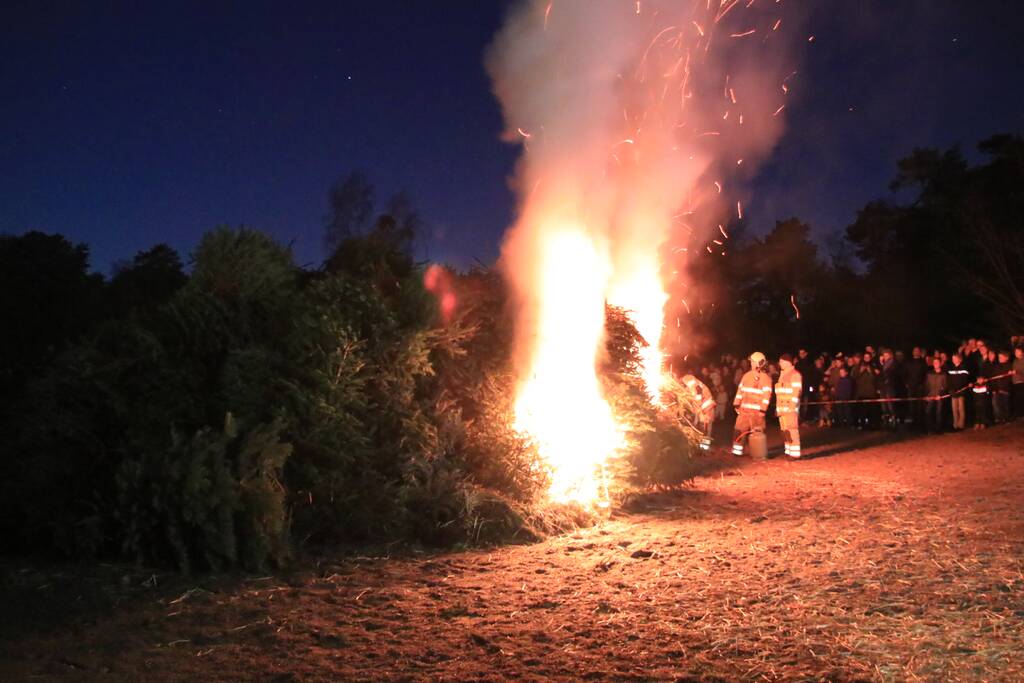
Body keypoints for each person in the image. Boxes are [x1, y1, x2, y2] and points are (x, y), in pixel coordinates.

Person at [732, 351, 773, 458]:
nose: (751, 363)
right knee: (738, 431)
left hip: (757, 413)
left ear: (758, 363)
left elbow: (766, 396)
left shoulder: (766, 378)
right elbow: (740, 391)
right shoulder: (746, 376)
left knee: (757, 434)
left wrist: (763, 410)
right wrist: (736, 404)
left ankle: (758, 453)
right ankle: (737, 452)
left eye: (753, 362)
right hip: (744, 411)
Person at [775, 353, 803, 458]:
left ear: (787, 362)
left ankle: (795, 453)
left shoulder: (795, 375)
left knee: (792, 429)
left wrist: (792, 406)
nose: (780, 363)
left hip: (790, 408)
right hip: (782, 409)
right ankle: (788, 450)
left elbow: (796, 392)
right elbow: (779, 394)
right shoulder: (782, 375)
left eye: (781, 361)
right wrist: (778, 408)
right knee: (785, 431)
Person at [682, 374, 716, 451]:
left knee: (705, 428)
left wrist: (696, 409)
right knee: (702, 427)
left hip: (707, 409)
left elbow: (698, 400)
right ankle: (701, 445)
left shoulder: (696, 387)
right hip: (703, 409)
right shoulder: (696, 386)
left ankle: (705, 448)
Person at [946, 353, 971, 430]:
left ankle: (961, 424)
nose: (953, 360)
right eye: (952, 359)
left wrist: (959, 389)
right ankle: (955, 424)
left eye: (955, 358)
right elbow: (949, 381)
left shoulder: (964, 368)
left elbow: (965, 380)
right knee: (954, 409)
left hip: (961, 391)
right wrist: (951, 389)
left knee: (961, 408)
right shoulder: (951, 369)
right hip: (953, 392)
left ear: (959, 359)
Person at [903, 348, 927, 428]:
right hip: (911, 386)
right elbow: (905, 373)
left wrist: (923, 384)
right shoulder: (908, 362)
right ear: (913, 352)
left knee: (920, 405)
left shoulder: (923, 362)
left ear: (920, 352)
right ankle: (913, 422)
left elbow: (925, 374)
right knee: (912, 405)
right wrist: (906, 383)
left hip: (920, 386)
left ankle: (920, 422)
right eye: (915, 351)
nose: (916, 352)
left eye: (918, 351)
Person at [924, 356, 947, 433]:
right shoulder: (929, 373)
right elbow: (927, 385)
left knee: (939, 412)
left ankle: (939, 429)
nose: (935, 364)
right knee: (928, 411)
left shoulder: (944, 374)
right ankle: (930, 429)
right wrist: (927, 395)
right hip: (931, 395)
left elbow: (945, 386)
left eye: (937, 363)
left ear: (940, 364)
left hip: (939, 396)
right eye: (934, 363)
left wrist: (941, 394)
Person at [991, 350, 1012, 424]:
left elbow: (1008, 379)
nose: (999, 358)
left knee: (1005, 404)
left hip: (1005, 389)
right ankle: (998, 418)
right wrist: (994, 388)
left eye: (1001, 357)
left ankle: (1006, 418)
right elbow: (994, 378)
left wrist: (1003, 388)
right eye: (999, 357)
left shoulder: (1009, 366)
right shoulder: (996, 366)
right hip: (996, 389)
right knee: (996, 404)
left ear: (1006, 358)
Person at [1013, 346, 1024, 419]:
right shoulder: (1015, 361)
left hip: (1022, 382)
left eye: (1017, 351)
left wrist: (1018, 372)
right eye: (1015, 352)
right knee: (1018, 399)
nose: (1015, 353)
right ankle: (1020, 414)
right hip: (1016, 382)